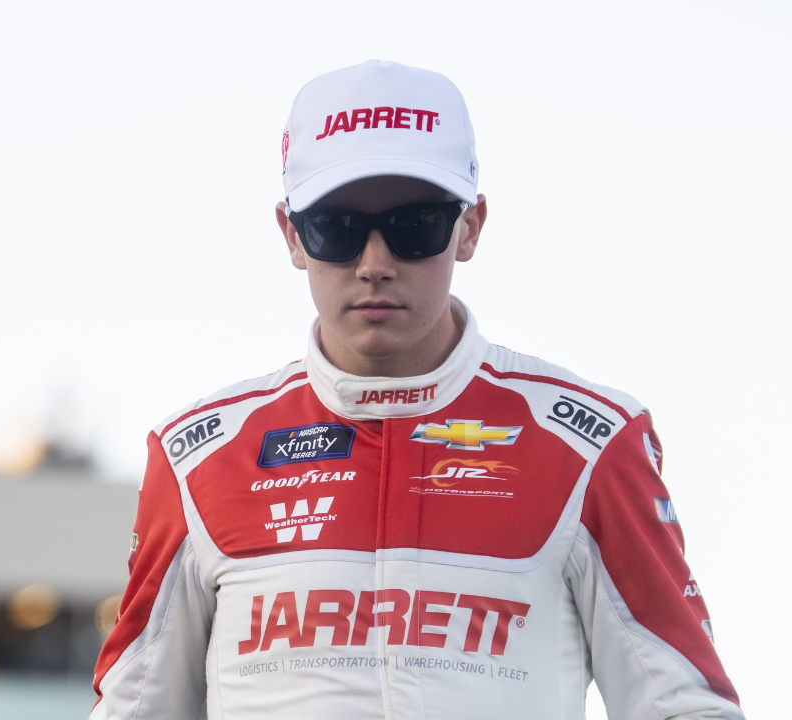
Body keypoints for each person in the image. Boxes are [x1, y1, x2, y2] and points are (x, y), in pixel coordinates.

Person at [89, 60, 743, 720]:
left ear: (470, 228)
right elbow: (135, 709)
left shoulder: (591, 441)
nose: (375, 264)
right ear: (291, 235)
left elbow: (681, 706)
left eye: (415, 225)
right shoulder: (197, 457)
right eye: (337, 229)